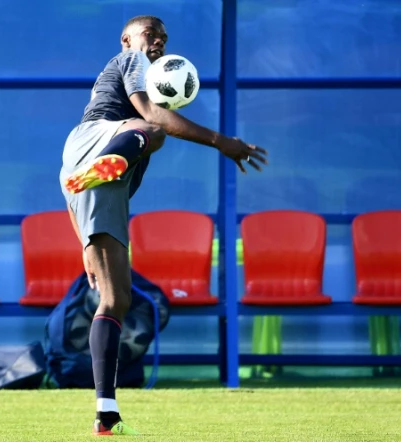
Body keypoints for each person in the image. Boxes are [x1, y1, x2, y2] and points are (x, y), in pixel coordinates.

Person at [58, 15, 268, 436]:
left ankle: (105, 412)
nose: (157, 42)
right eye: (150, 35)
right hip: (98, 140)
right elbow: (153, 114)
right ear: (127, 40)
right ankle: (112, 160)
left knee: (116, 300)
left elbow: (72, 187)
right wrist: (222, 142)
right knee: (153, 128)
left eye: (164, 38)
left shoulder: (145, 75)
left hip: (93, 184)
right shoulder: (129, 61)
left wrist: (85, 244)